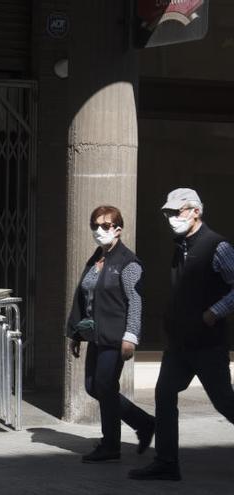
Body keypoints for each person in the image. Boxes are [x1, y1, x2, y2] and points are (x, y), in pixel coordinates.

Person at [129, 188, 234, 481]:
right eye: (168, 213)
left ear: (196, 212)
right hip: (179, 343)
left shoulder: (218, 246)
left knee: (224, 402)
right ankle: (166, 462)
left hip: (207, 344)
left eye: (177, 212)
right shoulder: (180, 247)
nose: (172, 218)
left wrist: (215, 311)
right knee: (164, 395)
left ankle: (165, 461)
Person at [67, 205, 155, 463]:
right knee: (93, 386)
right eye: (95, 225)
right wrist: (76, 334)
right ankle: (144, 422)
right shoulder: (96, 259)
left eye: (105, 226)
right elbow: (86, 299)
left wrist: (131, 336)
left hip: (116, 335)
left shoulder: (128, 263)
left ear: (118, 229)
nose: (99, 230)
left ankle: (110, 445)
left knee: (105, 385)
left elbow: (135, 302)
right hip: (96, 334)